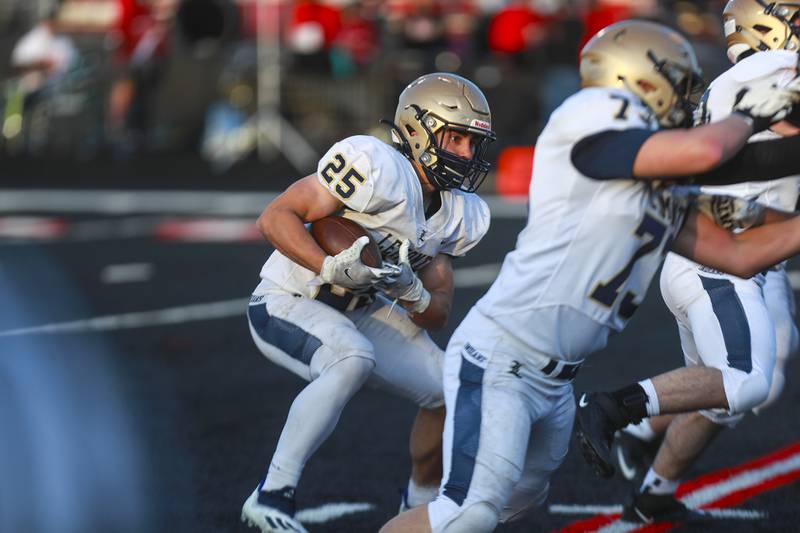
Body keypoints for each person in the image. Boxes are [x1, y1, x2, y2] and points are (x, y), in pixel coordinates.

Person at [381, 19, 800, 533]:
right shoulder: (590, 115)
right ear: (637, 78)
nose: (684, 99)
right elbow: (707, 151)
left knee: (509, 507)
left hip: (557, 379)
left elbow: (737, 254)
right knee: (466, 514)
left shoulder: (654, 178)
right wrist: (747, 114)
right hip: (503, 356)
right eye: (676, 81)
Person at [240, 72, 495, 533]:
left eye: (471, 143)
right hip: (289, 298)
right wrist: (327, 265)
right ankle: (271, 495)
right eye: (454, 138)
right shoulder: (376, 166)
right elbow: (276, 215)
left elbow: (436, 314)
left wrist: (410, 290)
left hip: (359, 310)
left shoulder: (460, 212)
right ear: (417, 130)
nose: (464, 153)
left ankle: (417, 507)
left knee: (446, 389)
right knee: (352, 359)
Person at [594, 0, 800, 522]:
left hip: (751, 255)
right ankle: (618, 411)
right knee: (745, 380)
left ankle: (654, 490)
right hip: (720, 259)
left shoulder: (745, 74)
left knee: (742, 388)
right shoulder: (770, 68)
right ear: (767, 24)